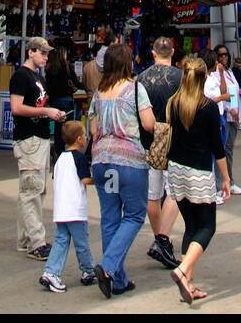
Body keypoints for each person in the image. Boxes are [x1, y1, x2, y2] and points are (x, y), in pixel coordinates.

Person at [88, 43, 154, 298]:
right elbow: (148, 124)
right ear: (127, 64)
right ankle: (108, 267)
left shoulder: (99, 92)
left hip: (102, 162)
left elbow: (93, 130)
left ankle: (118, 279)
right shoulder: (135, 89)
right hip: (129, 162)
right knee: (135, 215)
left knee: (110, 217)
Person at [166, 56, 229, 305]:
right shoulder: (208, 108)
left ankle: (188, 284)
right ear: (204, 78)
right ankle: (183, 271)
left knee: (190, 225)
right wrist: (225, 177)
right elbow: (217, 147)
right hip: (199, 172)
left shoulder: (173, 103)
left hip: (176, 169)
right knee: (207, 227)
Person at [9, 37, 66, 260]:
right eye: (41, 53)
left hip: (40, 138)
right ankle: (36, 242)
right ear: (30, 52)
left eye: (46, 54)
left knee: (36, 190)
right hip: (29, 139)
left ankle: (26, 239)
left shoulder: (37, 76)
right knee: (31, 191)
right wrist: (46, 112)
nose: (45, 57)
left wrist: (51, 112)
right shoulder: (21, 76)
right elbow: (16, 107)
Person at [139, 36, 182, 270]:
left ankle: (160, 240)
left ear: (153, 53)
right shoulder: (181, 78)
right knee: (175, 192)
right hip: (174, 139)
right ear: (172, 52)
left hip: (149, 140)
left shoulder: (142, 78)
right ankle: (162, 239)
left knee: (152, 195)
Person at [38, 121, 96, 292]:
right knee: (82, 242)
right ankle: (88, 270)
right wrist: (97, 180)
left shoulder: (60, 159)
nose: (86, 138)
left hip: (61, 210)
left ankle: (51, 271)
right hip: (75, 210)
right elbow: (85, 179)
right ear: (79, 140)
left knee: (61, 240)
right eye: (85, 135)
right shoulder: (80, 158)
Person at [207, 44, 241, 196]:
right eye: (220, 55)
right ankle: (218, 184)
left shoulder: (229, 71)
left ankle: (229, 181)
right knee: (220, 151)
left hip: (233, 116)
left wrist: (236, 110)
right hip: (224, 114)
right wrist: (231, 109)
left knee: (228, 150)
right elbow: (221, 94)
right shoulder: (215, 74)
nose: (223, 58)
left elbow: (233, 92)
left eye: (225, 55)